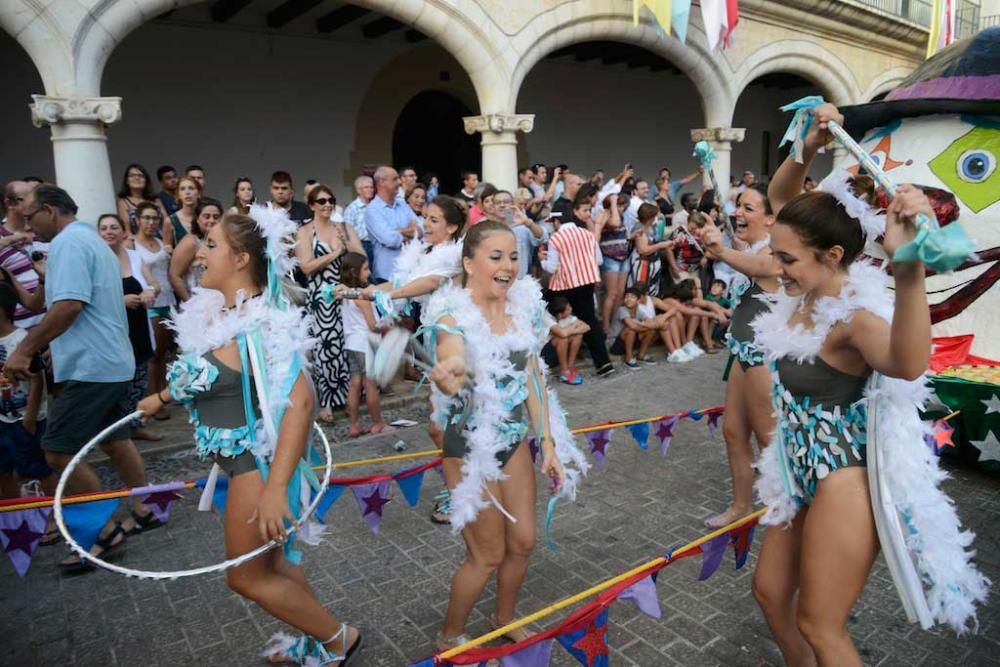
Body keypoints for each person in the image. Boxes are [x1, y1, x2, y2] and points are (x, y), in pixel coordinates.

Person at [749, 103, 986, 665]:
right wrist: (808, 144)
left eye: (787, 260)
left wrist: (908, 269)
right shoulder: (806, 284)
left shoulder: (857, 318)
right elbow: (784, 199)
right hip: (793, 469)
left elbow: (907, 363)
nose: (776, 267)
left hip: (840, 479)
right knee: (770, 593)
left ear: (833, 255)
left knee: (821, 624)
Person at [137, 209, 363, 666]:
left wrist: (276, 489)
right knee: (275, 566)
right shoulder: (223, 315)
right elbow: (213, 380)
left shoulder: (265, 322)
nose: (200, 253)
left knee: (244, 577)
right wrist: (162, 396)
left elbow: (301, 402)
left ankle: (339, 640)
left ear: (241, 259)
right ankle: (322, 640)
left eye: (212, 245)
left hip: (257, 467)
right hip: (241, 464)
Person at [424, 220, 589, 650]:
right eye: (495, 257)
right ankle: (451, 636)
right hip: (468, 445)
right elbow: (451, 353)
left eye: (513, 256)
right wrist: (451, 372)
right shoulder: (450, 314)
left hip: (513, 438)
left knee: (523, 541)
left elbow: (533, 375)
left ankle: (504, 619)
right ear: (468, 263)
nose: (508, 266)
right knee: (486, 555)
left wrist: (548, 444)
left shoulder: (525, 307)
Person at [6, 184, 157, 573]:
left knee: (57, 449)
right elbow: (43, 303)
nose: (29, 223)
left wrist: (24, 350)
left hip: (92, 367)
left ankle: (105, 531)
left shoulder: (70, 245)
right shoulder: (84, 241)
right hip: (109, 362)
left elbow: (69, 307)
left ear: (51, 211)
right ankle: (143, 508)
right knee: (115, 439)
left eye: (32, 215)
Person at [699, 183, 780, 528]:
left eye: (748, 208)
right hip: (740, 350)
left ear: (772, 217)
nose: (738, 214)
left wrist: (722, 252)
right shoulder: (747, 248)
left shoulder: (779, 250)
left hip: (765, 355)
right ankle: (741, 505)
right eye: (738, 207)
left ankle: (784, 508)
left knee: (768, 438)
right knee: (733, 431)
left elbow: (765, 267)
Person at [296, 185, 364, 420]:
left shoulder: (343, 227)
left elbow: (361, 257)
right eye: (321, 201)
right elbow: (306, 267)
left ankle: (349, 397)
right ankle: (326, 401)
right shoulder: (305, 232)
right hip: (320, 297)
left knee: (347, 342)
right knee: (325, 346)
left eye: (330, 200)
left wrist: (346, 243)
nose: (327, 205)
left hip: (345, 294)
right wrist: (335, 254)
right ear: (312, 205)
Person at [99, 214, 161, 443]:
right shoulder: (97, 260)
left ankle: (136, 424)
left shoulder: (134, 257)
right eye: (104, 228)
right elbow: (94, 296)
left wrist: (150, 293)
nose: (109, 231)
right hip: (113, 332)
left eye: (114, 227)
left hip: (139, 329)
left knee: (139, 380)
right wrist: (120, 300)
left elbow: (155, 285)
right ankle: (116, 431)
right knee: (119, 384)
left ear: (124, 232)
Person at [540, 202, 614, 377]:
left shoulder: (556, 239)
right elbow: (599, 261)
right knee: (590, 321)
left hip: (563, 286)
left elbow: (551, 268)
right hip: (587, 283)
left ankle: (551, 362)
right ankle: (604, 363)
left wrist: (541, 260)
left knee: (553, 320)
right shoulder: (588, 235)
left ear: (557, 221)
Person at [0, 282, 55, 515]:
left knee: (38, 467)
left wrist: (31, 417)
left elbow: (37, 380)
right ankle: (15, 513)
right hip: (3, 419)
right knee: (4, 468)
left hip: (27, 419)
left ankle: (53, 513)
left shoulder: (23, 340)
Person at [131, 202, 174, 420]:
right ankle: (151, 397)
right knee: (154, 354)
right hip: (151, 304)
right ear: (138, 219)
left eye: (154, 218)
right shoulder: (132, 244)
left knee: (165, 353)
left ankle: (161, 394)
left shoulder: (160, 241)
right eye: (146, 218)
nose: (150, 222)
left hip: (169, 299)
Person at [338, 252, 388, 437]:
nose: (369, 272)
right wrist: (386, 327)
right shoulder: (363, 298)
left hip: (352, 344)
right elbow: (373, 326)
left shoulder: (345, 294)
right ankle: (377, 422)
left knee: (355, 383)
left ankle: (354, 424)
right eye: (365, 269)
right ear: (354, 271)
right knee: (370, 385)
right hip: (367, 344)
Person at [1, 180, 46, 328]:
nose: (35, 202)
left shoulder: (44, 232)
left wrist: (42, 279)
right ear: (9, 204)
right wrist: (10, 240)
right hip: (23, 332)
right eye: (26, 198)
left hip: (56, 327)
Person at [365, 166, 421, 284]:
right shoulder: (372, 210)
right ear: (382, 182)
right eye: (395, 179)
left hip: (411, 273)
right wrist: (411, 231)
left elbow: (421, 231)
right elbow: (390, 240)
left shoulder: (402, 205)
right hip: (387, 275)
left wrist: (399, 231)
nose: (400, 182)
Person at [169, 198, 224, 302]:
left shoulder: (222, 242)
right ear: (198, 219)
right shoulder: (190, 242)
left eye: (216, 217)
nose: (211, 220)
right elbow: (174, 275)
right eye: (206, 216)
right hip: (196, 304)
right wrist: (190, 303)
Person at [491, 190, 546, 279]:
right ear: (493, 207)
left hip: (519, 283)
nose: (502, 205)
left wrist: (528, 222)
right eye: (498, 203)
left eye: (506, 202)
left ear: (512, 204)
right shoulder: (487, 229)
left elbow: (542, 238)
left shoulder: (522, 227)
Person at [626, 202, 673, 299]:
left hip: (652, 263)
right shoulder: (640, 228)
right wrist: (660, 245)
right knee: (641, 292)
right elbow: (643, 250)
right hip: (642, 264)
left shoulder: (651, 227)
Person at [597, 193, 628, 332]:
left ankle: (615, 321)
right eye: (619, 204)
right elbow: (614, 223)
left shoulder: (620, 215)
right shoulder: (605, 215)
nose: (621, 208)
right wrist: (613, 203)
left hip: (623, 257)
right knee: (612, 293)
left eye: (622, 205)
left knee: (620, 292)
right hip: (610, 258)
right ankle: (606, 325)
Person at [545, 295, 589, 384]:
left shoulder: (568, 317)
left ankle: (570, 367)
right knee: (562, 338)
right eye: (568, 309)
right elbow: (563, 333)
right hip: (545, 356)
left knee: (578, 335)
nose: (571, 309)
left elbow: (586, 327)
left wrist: (572, 330)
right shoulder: (548, 318)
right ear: (560, 315)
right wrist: (574, 326)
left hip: (559, 353)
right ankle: (564, 372)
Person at [116, 163, 167, 235]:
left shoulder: (156, 200)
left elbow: (167, 222)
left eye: (140, 176)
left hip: (161, 240)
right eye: (132, 175)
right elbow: (127, 231)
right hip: (137, 242)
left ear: (146, 180)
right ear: (127, 181)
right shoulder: (123, 202)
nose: (137, 178)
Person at [162, 174, 202, 250]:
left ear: (199, 193)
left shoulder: (207, 218)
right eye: (183, 189)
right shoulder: (170, 221)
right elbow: (167, 250)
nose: (187, 192)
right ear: (178, 195)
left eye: (191, 188)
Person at [343, 175, 376, 266]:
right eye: (366, 187)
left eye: (371, 187)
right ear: (358, 190)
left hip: (376, 245)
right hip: (362, 246)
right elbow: (347, 233)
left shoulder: (375, 206)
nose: (370, 189)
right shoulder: (352, 208)